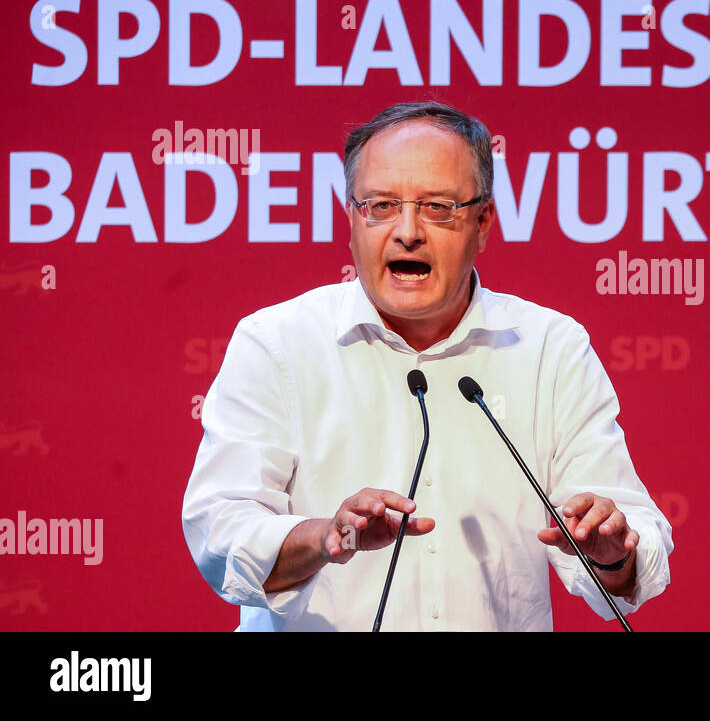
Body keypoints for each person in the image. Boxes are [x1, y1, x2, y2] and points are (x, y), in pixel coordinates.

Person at [181, 100, 673, 631]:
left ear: (483, 222)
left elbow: (634, 545)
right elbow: (218, 533)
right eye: (382, 205)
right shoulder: (276, 343)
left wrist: (609, 549)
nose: (408, 231)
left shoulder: (550, 348)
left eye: (438, 207)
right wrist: (325, 536)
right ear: (352, 218)